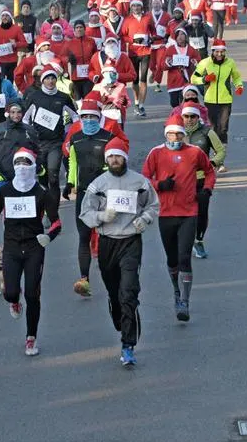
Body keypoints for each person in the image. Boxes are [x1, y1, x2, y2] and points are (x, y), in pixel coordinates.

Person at [79, 138, 159, 366]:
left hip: (131, 241)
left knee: (128, 293)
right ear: (107, 159)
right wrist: (101, 217)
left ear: (125, 157)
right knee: (115, 294)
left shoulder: (139, 182)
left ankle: (128, 345)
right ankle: (119, 312)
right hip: (107, 243)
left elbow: (153, 204)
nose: (115, 160)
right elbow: (86, 212)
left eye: (118, 156)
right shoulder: (98, 184)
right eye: (111, 156)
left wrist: (144, 219)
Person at [0, 148, 61, 356]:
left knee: (33, 294)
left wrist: (48, 236)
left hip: (35, 247)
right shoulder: (5, 191)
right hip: (12, 247)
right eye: (18, 164)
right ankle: (14, 302)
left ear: (33, 167)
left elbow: (56, 223)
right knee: (10, 292)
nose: (22, 168)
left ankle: (30, 338)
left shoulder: (42, 193)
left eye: (27, 164)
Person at [142, 117, 215, 322]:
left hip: (188, 212)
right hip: (166, 213)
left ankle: (185, 300)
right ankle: (176, 289)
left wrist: (207, 190)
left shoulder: (194, 152)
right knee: (172, 259)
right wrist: (159, 185)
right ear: (166, 134)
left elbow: (209, 171)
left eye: (179, 134)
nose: (175, 138)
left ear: (184, 134)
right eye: (171, 134)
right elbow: (145, 178)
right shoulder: (155, 153)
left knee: (184, 257)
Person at [63, 96, 118, 297]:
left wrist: (106, 172)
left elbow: (116, 164)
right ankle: (84, 279)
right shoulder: (76, 138)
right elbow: (73, 164)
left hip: (105, 195)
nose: (88, 120)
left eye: (92, 117)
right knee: (83, 237)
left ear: (98, 117)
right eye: (84, 116)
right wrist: (70, 183)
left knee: (107, 236)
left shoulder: (108, 137)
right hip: (84, 195)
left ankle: (112, 275)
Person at [22, 64, 78, 195]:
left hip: (56, 142)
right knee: (42, 177)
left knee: (53, 176)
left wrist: (71, 134)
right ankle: (45, 205)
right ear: (42, 80)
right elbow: (24, 119)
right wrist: (29, 134)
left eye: (53, 78)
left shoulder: (63, 97)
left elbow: (76, 117)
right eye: (47, 78)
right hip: (39, 143)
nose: (50, 81)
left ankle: (54, 206)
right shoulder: (34, 97)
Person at [180, 104, 225, 259]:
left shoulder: (207, 132)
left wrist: (212, 163)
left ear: (198, 117)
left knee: (201, 213)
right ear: (182, 117)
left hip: (202, 180)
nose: (190, 120)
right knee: (183, 213)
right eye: (186, 116)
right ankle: (184, 240)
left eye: (193, 116)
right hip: (182, 182)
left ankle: (198, 241)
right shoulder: (176, 133)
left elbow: (220, 151)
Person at [191, 38, 244, 169]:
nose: (219, 54)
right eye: (217, 52)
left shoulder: (230, 63)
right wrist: (205, 78)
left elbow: (237, 77)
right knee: (213, 130)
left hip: (226, 100)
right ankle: (213, 157)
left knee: (223, 129)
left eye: (222, 52)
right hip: (210, 101)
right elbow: (193, 78)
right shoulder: (205, 63)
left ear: (225, 52)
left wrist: (239, 86)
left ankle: (220, 161)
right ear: (212, 51)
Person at [0, 99, 40, 186]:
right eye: (13, 112)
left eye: (19, 112)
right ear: (8, 113)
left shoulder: (29, 130)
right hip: (4, 176)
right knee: (5, 199)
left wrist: (39, 165)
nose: (16, 115)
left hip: (26, 176)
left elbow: (38, 150)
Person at [153, 28, 202, 108]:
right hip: (174, 82)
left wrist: (194, 62)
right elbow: (162, 66)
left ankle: (184, 118)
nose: (180, 37)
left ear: (186, 37)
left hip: (187, 81)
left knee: (186, 104)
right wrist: (168, 62)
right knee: (174, 104)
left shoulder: (191, 50)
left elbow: (199, 62)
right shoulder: (170, 49)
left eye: (182, 34)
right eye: (178, 35)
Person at [122, 0, 154, 117]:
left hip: (145, 52)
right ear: (131, 8)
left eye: (138, 6)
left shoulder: (147, 18)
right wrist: (132, 40)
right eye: (134, 6)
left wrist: (151, 38)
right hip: (133, 53)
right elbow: (123, 35)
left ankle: (141, 105)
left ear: (141, 7)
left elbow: (153, 31)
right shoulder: (128, 20)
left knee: (143, 79)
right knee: (134, 80)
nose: (136, 8)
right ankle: (136, 101)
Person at [0, 7, 29, 82]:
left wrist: (15, 44)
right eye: (3, 16)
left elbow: (25, 43)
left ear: (10, 18)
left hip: (12, 61)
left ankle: (8, 93)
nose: (4, 17)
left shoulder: (17, 29)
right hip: (0, 60)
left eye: (7, 16)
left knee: (9, 82)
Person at [66, 19, 98, 100]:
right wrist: (68, 59)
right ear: (74, 30)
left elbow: (96, 56)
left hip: (88, 76)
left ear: (84, 29)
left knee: (88, 99)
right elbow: (64, 57)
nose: (79, 29)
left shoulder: (91, 41)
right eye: (77, 27)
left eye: (81, 27)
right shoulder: (70, 43)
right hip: (75, 77)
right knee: (78, 101)